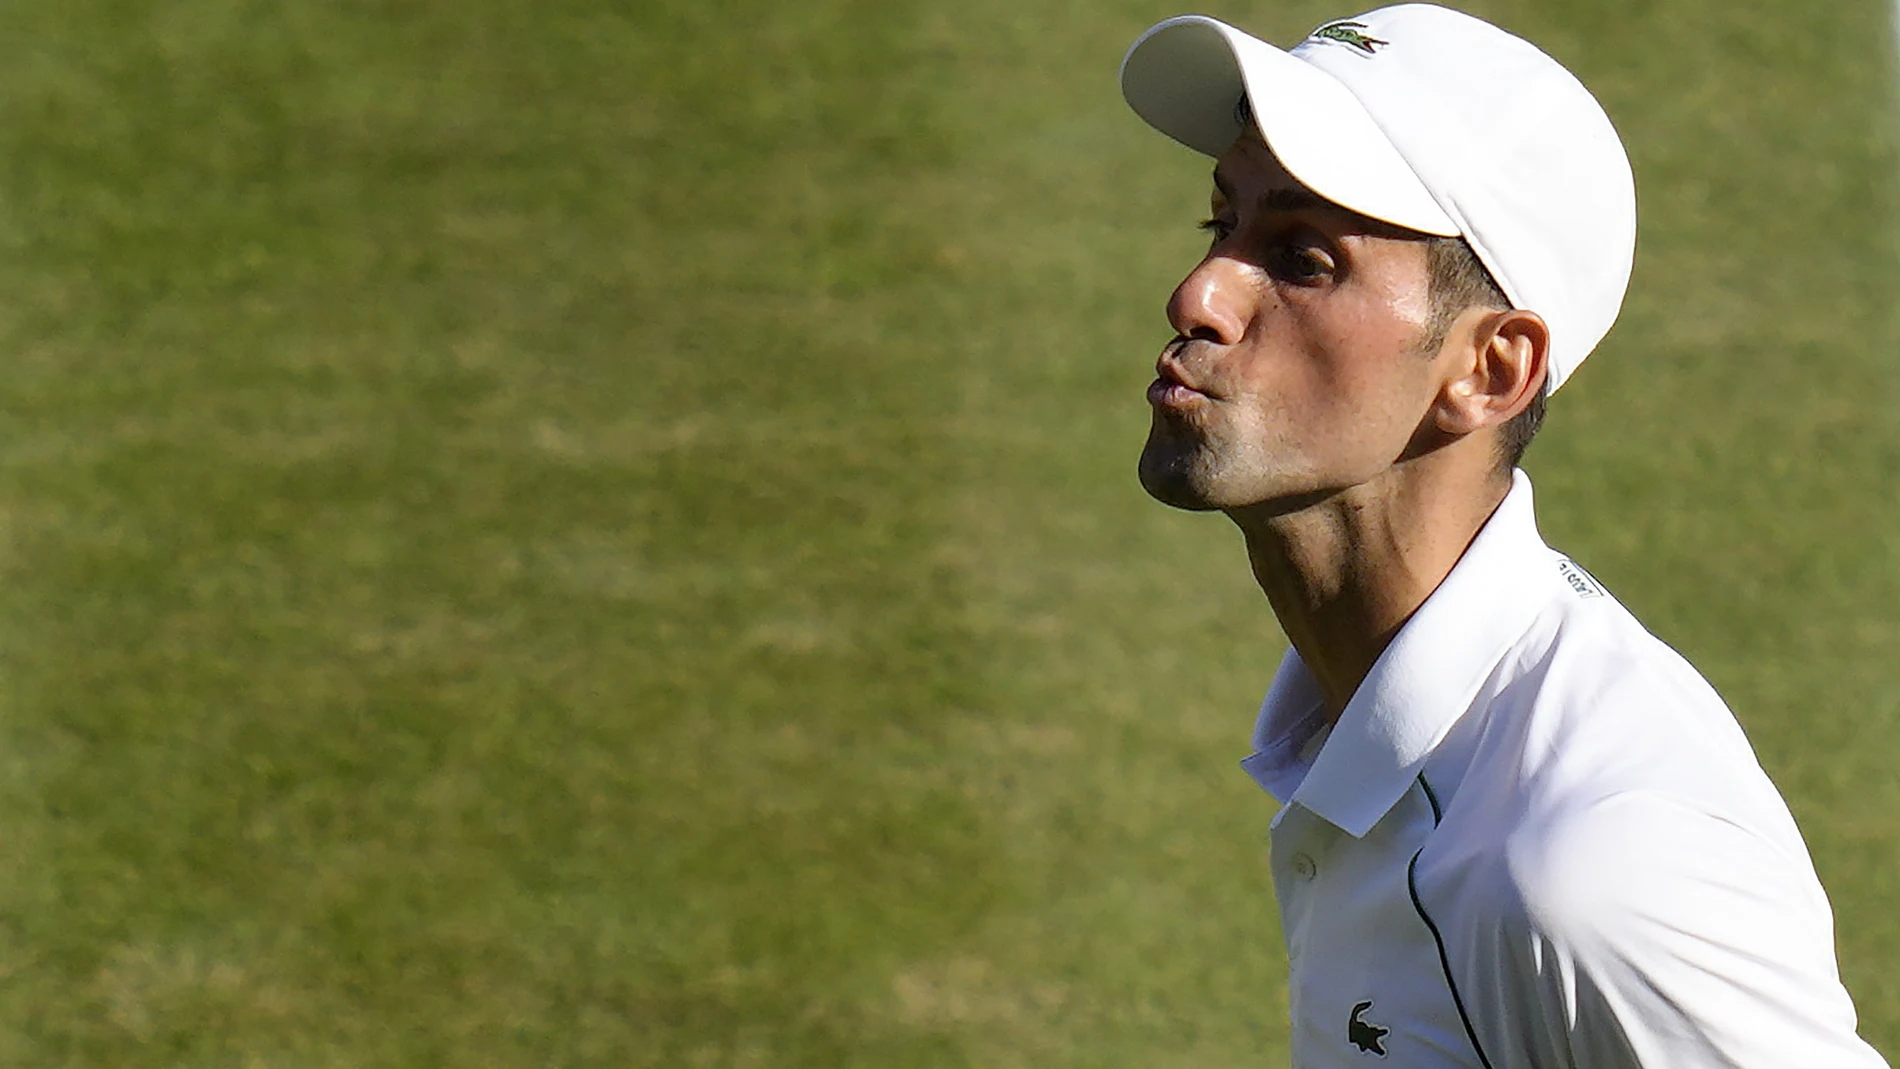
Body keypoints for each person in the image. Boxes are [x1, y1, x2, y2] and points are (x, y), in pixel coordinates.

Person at [1117, 5, 1891, 1066]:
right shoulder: (1372, 723)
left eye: (1300, 259)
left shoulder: (1592, 876)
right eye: (1222, 227)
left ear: (1488, 371)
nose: (1197, 293)